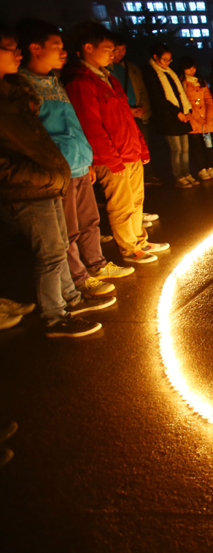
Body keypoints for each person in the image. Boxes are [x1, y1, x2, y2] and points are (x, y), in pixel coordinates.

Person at [0, 25, 115, 337]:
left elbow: (54, 132)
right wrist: (42, 173)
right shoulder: (18, 90)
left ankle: (71, 299)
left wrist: (81, 160)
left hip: (56, 175)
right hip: (33, 184)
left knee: (63, 240)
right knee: (51, 251)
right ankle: (56, 316)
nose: (18, 54)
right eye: (10, 49)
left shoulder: (31, 87)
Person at [15, 19, 132, 297]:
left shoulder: (54, 81)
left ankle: (96, 264)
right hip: (59, 169)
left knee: (89, 221)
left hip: (79, 163)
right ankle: (79, 279)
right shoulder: (23, 86)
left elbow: (74, 123)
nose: (62, 51)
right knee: (68, 230)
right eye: (57, 46)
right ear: (35, 48)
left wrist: (87, 159)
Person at [62, 22, 167, 265]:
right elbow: (91, 125)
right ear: (88, 47)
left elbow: (126, 117)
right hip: (112, 157)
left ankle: (140, 240)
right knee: (121, 205)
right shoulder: (81, 82)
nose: (113, 53)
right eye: (108, 48)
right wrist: (111, 158)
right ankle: (129, 248)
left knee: (137, 201)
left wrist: (141, 146)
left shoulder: (108, 77)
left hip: (129, 151)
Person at [142, 44, 194, 188]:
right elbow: (158, 97)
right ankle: (178, 175)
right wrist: (176, 112)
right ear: (155, 57)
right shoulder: (152, 72)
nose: (167, 63)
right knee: (176, 148)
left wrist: (186, 110)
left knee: (185, 147)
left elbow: (179, 93)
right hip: (168, 116)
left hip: (181, 113)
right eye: (164, 60)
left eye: (169, 60)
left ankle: (187, 172)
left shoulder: (170, 72)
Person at [106, 32, 155, 184]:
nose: (120, 53)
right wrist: (128, 110)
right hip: (122, 117)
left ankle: (146, 175)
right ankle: (129, 179)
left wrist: (144, 108)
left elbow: (142, 90)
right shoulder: (105, 71)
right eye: (116, 50)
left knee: (142, 144)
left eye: (123, 49)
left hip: (138, 114)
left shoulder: (131, 68)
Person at [179, 57, 213, 180]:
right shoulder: (182, 83)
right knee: (196, 146)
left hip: (206, 119)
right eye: (189, 68)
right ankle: (201, 169)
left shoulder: (201, 81)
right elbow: (185, 102)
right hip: (193, 120)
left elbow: (208, 98)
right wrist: (196, 117)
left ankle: (210, 166)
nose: (192, 70)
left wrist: (210, 113)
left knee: (208, 144)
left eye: (193, 67)